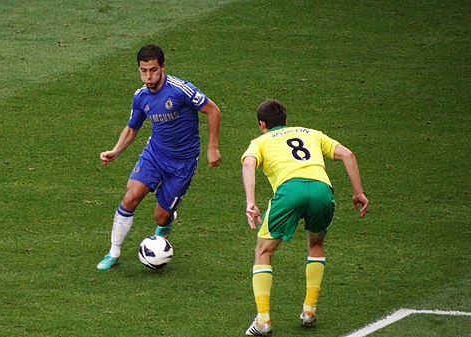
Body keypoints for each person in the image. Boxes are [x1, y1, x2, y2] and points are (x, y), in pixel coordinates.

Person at [241, 99, 368, 335]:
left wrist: (250, 203)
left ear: (262, 124)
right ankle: (309, 311)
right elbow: (348, 154)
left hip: (290, 191)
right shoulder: (311, 133)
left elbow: (248, 164)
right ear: (286, 120)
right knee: (316, 244)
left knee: (263, 251)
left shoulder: (260, 141)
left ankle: (263, 320)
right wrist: (358, 192)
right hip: (322, 190)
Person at [96, 44, 221, 270]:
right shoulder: (140, 96)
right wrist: (115, 150)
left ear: (163, 67)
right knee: (130, 198)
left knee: (160, 217)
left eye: (153, 70)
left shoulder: (180, 89)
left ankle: (166, 222)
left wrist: (213, 147)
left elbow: (213, 110)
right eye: (143, 70)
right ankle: (113, 252)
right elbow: (132, 128)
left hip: (182, 163)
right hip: (155, 155)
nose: (148, 76)